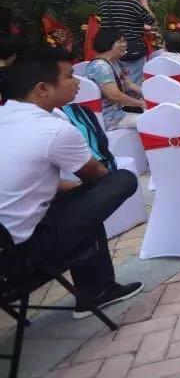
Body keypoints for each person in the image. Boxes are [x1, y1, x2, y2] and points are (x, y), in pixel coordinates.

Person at [0, 46, 143, 318]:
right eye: (69, 76)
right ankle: (98, 290)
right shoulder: (53, 129)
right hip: (22, 257)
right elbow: (98, 178)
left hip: (6, 246)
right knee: (120, 180)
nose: (77, 81)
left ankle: (97, 289)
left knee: (80, 199)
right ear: (43, 88)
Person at [97, 0, 155, 86]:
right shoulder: (133, 3)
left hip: (110, 50)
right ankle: (130, 98)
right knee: (132, 84)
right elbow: (152, 21)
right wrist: (145, 6)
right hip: (131, 49)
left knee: (114, 82)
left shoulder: (104, 4)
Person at [85, 28, 146, 130]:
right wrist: (141, 104)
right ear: (107, 43)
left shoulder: (112, 63)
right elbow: (114, 95)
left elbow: (128, 85)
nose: (125, 44)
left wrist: (151, 96)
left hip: (118, 114)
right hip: (108, 119)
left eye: (124, 41)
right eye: (120, 41)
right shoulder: (101, 66)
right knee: (152, 122)